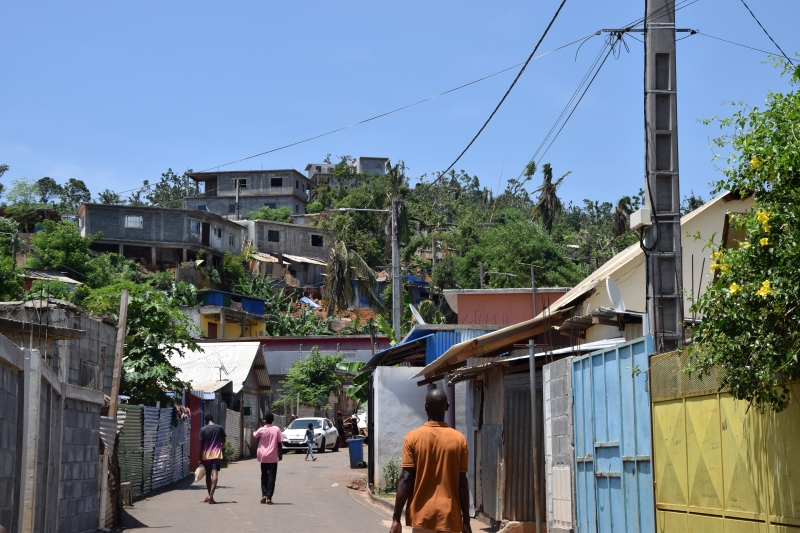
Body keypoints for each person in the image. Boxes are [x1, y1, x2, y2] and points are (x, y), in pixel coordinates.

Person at [390, 389, 471, 533]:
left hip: (423, 517)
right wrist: (466, 521)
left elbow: (406, 478)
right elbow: (462, 482)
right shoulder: (460, 440)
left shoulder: (412, 438)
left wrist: (396, 518)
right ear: (447, 406)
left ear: (426, 407)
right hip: (449, 517)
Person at [253, 413, 283, 504]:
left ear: (265, 420)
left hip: (263, 456)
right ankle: (269, 497)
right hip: (273, 457)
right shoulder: (276, 429)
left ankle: (264, 495)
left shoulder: (261, 429)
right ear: (273, 420)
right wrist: (280, 454)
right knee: (272, 477)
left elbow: (255, 435)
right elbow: (280, 443)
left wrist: (262, 426)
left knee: (264, 475)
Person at [199, 413, 227, 504]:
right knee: (214, 473)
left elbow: (201, 445)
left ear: (206, 421)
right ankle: (211, 496)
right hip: (216, 453)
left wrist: (200, 457)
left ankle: (210, 496)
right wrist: (222, 445)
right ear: (213, 420)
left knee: (208, 474)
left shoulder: (203, 429)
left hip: (206, 454)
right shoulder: (219, 428)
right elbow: (224, 439)